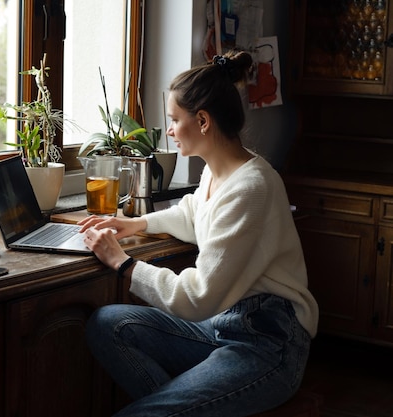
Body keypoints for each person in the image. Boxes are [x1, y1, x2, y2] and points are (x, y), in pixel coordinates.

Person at [78, 51, 319, 417]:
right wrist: (137, 224)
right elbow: (195, 213)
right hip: (221, 326)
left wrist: (122, 262)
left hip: (268, 343)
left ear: (203, 121)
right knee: (107, 324)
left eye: (175, 119)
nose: (170, 130)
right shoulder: (217, 171)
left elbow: (197, 298)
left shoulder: (251, 186)